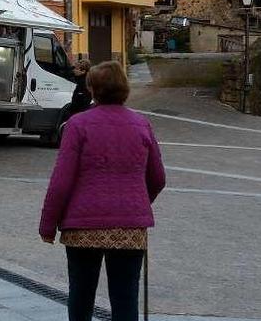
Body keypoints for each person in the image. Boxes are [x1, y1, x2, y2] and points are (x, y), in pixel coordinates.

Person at [39, 61, 166, 321]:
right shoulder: (141, 124)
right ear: (125, 88)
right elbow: (158, 177)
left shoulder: (77, 124)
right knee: (125, 296)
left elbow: (62, 179)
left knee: (81, 293)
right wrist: (138, 202)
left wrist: (48, 224)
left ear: (93, 89)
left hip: (82, 224)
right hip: (130, 226)